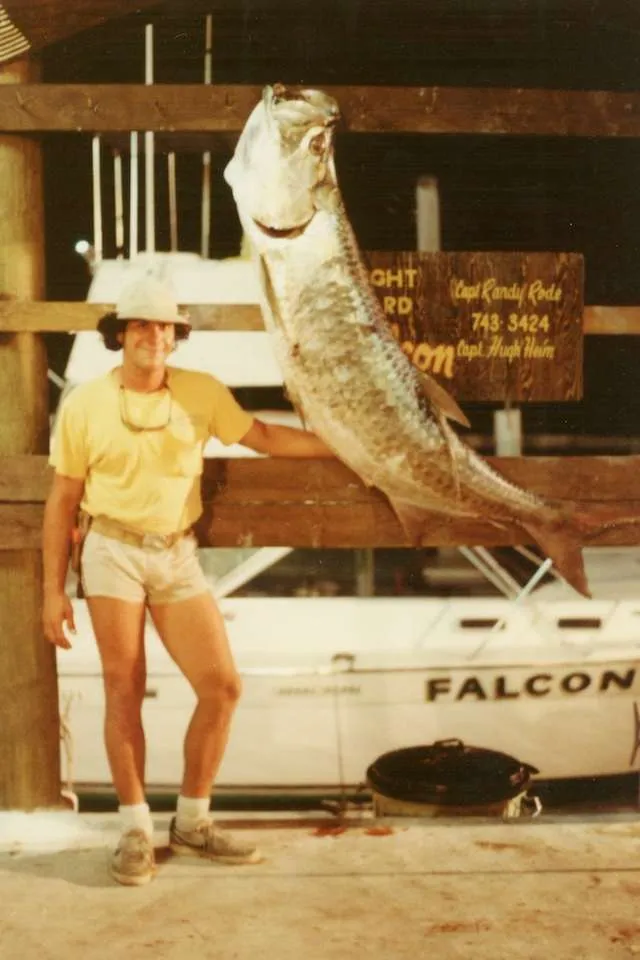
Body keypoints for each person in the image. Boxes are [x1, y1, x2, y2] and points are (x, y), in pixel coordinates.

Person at [42, 273, 335, 886]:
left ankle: (193, 821)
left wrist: (342, 449)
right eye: (142, 325)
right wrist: (53, 590)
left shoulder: (201, 392)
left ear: (177, 337)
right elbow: (62, 498)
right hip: (111, 551)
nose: (155, 336)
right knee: (125, 687)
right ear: (120, 335)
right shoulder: (86, 403)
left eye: (166, 327)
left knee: (222, 686)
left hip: (176, 553)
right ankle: (134, 830)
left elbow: (262, 435)